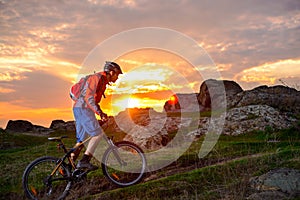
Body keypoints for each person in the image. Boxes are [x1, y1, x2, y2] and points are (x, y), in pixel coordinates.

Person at [71, 61, 123, 170]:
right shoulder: (97, 78)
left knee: (81, 141)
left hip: (79, 108)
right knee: (98, 134)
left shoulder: (102, 81)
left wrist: (100, 112)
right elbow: (89, 98)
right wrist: (99, 113)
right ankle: (84, 161)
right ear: (112, 72)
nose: (117, 78)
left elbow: (93, 100)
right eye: (117, 75)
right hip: (83, 108)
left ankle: (68, 167)